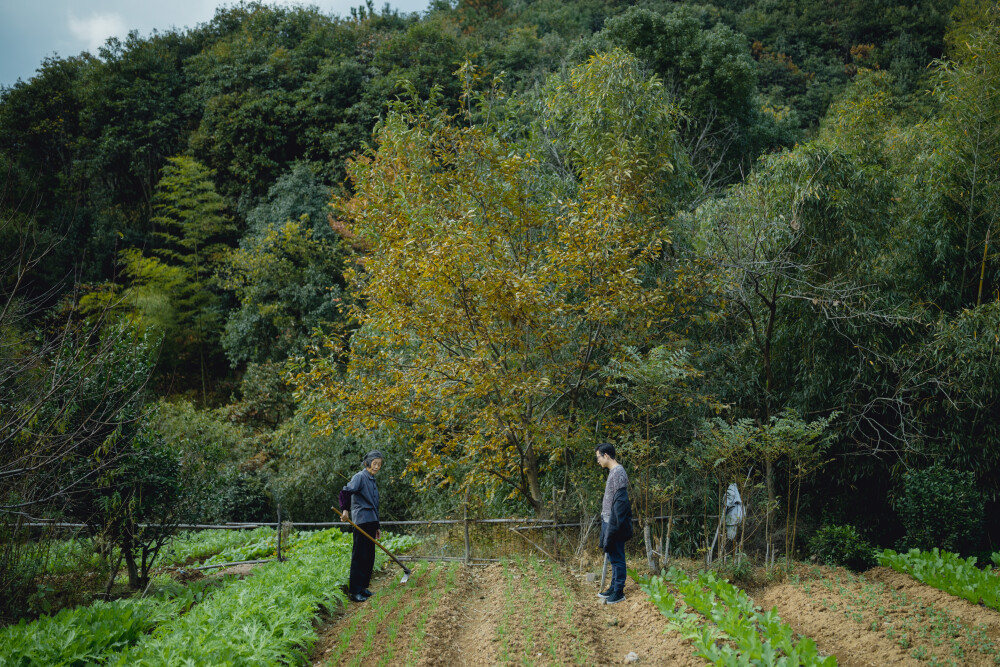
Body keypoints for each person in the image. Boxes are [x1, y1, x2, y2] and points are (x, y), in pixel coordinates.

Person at [338, 450, 383, 603]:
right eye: (374, 463)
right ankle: (354, 591)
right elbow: (345, 492)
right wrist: (345, 511)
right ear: (368, 463)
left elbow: (375, 506)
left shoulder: (372, 480)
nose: (376, 467)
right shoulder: (360, 477)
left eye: (379, 464)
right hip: (361, 522)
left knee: (369, 556)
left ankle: (363, 587)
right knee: (360, 556)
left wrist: (377, 526)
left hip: (371, 521)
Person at [596, 442, 632, 605]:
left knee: (617, 556)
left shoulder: (618, 472)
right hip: (608, 520)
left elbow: (621, 502)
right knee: (612, 554)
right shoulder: (614, 472)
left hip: (613, 522)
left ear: (606, 455)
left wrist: (614, 525)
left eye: (598, 457)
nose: (598, 461)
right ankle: (613, 587)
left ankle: (619, 591)